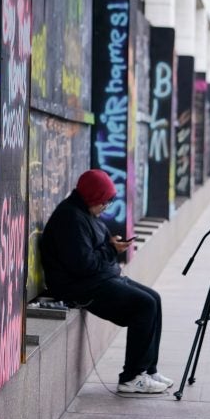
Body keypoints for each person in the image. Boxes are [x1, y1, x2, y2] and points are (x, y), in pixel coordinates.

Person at [39, 169, 172, 394]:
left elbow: (93, 252)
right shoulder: (70, 218)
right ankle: (131, 377)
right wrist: (111, 249)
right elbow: (82, 265)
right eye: (104, 202)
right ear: (91, 197)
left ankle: (148, 370)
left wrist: (112, 246)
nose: (105, 207)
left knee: (154, 299)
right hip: (80, 287)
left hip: (99, 277)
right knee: (144, 305)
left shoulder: (86, 213)